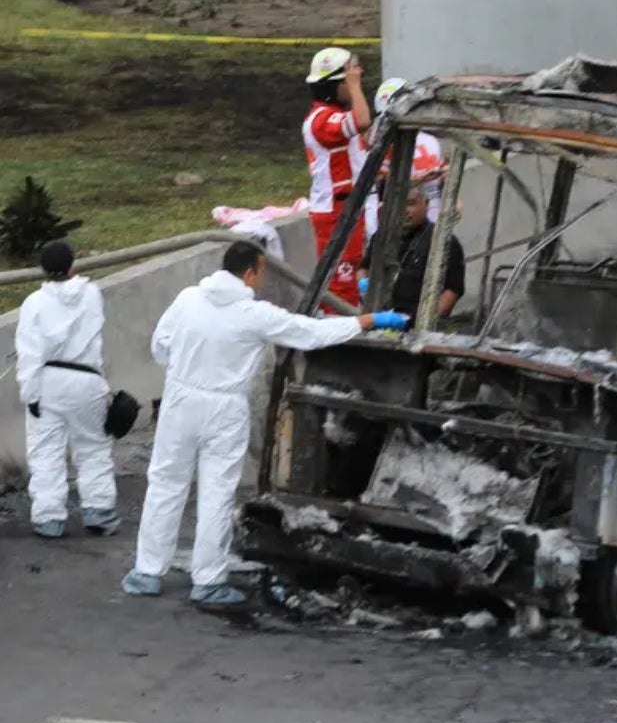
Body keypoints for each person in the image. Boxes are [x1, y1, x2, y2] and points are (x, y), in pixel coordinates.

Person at [121, 242, 407, 610]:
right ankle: (207, 579)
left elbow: (161, 347)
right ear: (251, 272)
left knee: (165, 484)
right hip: (224, 407)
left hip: (180, 398)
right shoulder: (253, 314)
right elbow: (309, 332)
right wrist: (368, 321)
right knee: (216, 492)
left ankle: (147, 571)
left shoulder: (188, 298)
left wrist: (185, 368)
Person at [15, 241, 119, 539]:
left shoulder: (34, 303)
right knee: (94, 446)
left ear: (42, 269)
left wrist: (30, 395)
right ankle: (100, 510)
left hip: (48, 381)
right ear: (73, 265)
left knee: (46, 451)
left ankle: (49, 518)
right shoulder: (91, 294)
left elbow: (30, 353)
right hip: (88, 379)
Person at [303, 47, 372, 308]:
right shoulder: (322, 120)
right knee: (339, 281)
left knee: (348, 275)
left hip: (347, 207)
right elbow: (363, 120)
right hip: (336, 210)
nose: (354, 85)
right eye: (348, 81)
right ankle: (336, 337)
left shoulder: (332, 116)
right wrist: (356, 86)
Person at [356, 184, 464, 320]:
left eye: (411, 204)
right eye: (399, 205)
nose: (405, 211)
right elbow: (363, 268)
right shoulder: (381, 237)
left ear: (426, 204)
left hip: (416, 323)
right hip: (380, 318)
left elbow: (452, 291)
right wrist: (364, 286)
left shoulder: (443, 240)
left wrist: (426, 321)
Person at [365, 77, 445, 244]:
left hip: (432, 224)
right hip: (396, 227)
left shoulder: (430, 141)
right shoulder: (379, 147)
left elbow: (440, 180)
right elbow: (377, 188)